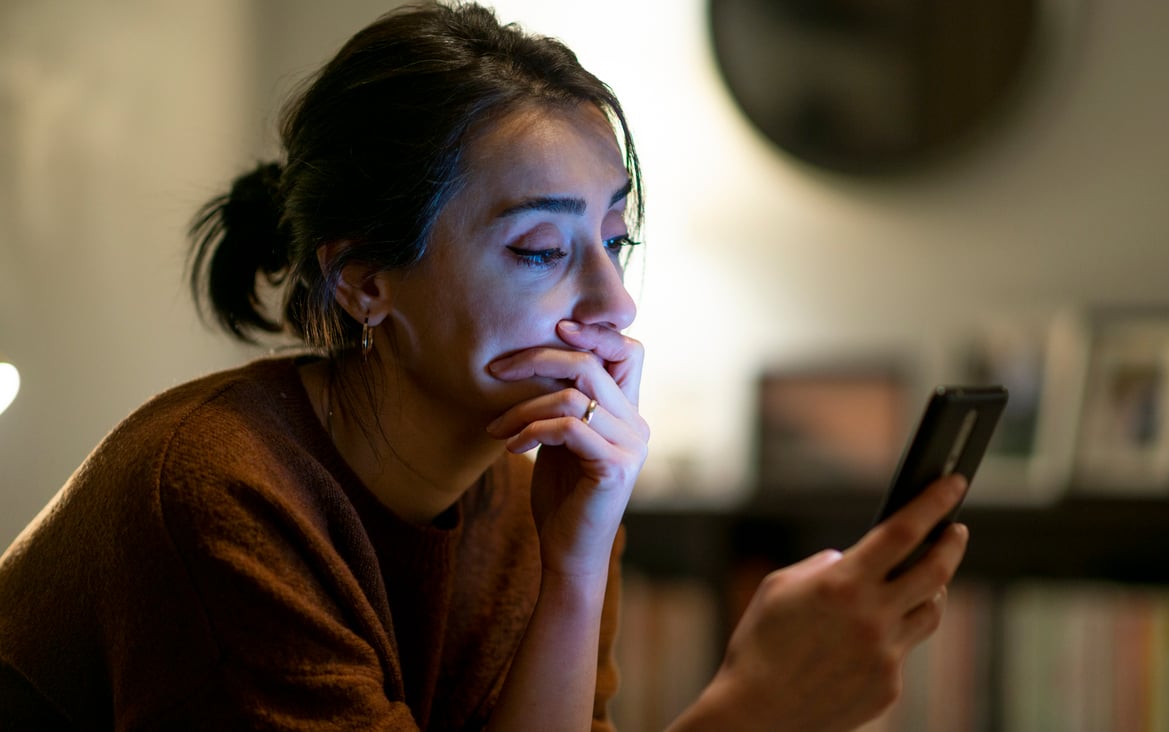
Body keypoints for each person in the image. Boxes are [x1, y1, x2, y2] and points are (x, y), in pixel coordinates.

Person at [0, 2, 970, 730]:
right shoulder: (217, 491)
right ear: (363, 280)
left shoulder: (536, 487)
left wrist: (577, 561)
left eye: (615, 240)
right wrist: (756, 710)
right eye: (540, 251)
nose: (614, 303)